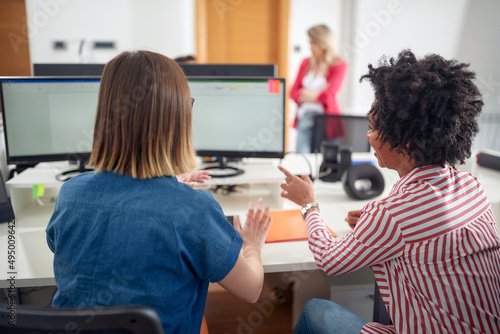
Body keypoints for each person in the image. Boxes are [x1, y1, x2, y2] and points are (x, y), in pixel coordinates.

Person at [46, 50, 272, 333]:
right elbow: (251, 290)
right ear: (179, 118)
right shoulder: (194, 210)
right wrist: (252, 244)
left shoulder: (70, 195)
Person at [279, 49, 500, 333]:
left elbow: (330, 260)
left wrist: (309, 205)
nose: (367, 136)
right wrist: (376, 227)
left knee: (315, 310)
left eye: (372, 127)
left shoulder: (392, 215)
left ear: (403, 141)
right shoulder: (472, 186)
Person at [290, 24, 348, 153]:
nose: (310, 47)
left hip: (327, 120)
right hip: (304, 118)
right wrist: (317, 94)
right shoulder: (305, 62)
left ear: (323, 43)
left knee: (325, 163)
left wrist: (307, 94)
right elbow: (293, 92)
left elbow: (330, 93)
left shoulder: (339, 65)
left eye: (313, 43)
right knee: (302, 160)